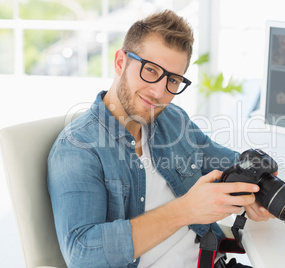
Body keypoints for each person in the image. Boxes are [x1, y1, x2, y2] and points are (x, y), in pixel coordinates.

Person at [47, 10, 273, 268]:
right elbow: (82, 254)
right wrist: (186, 210)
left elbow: (228, 162)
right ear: (120, 62)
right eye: (150, 70)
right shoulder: (78, 148)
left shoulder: (172, 120)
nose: (159, 92)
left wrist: (261, 185)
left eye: (173, 80)